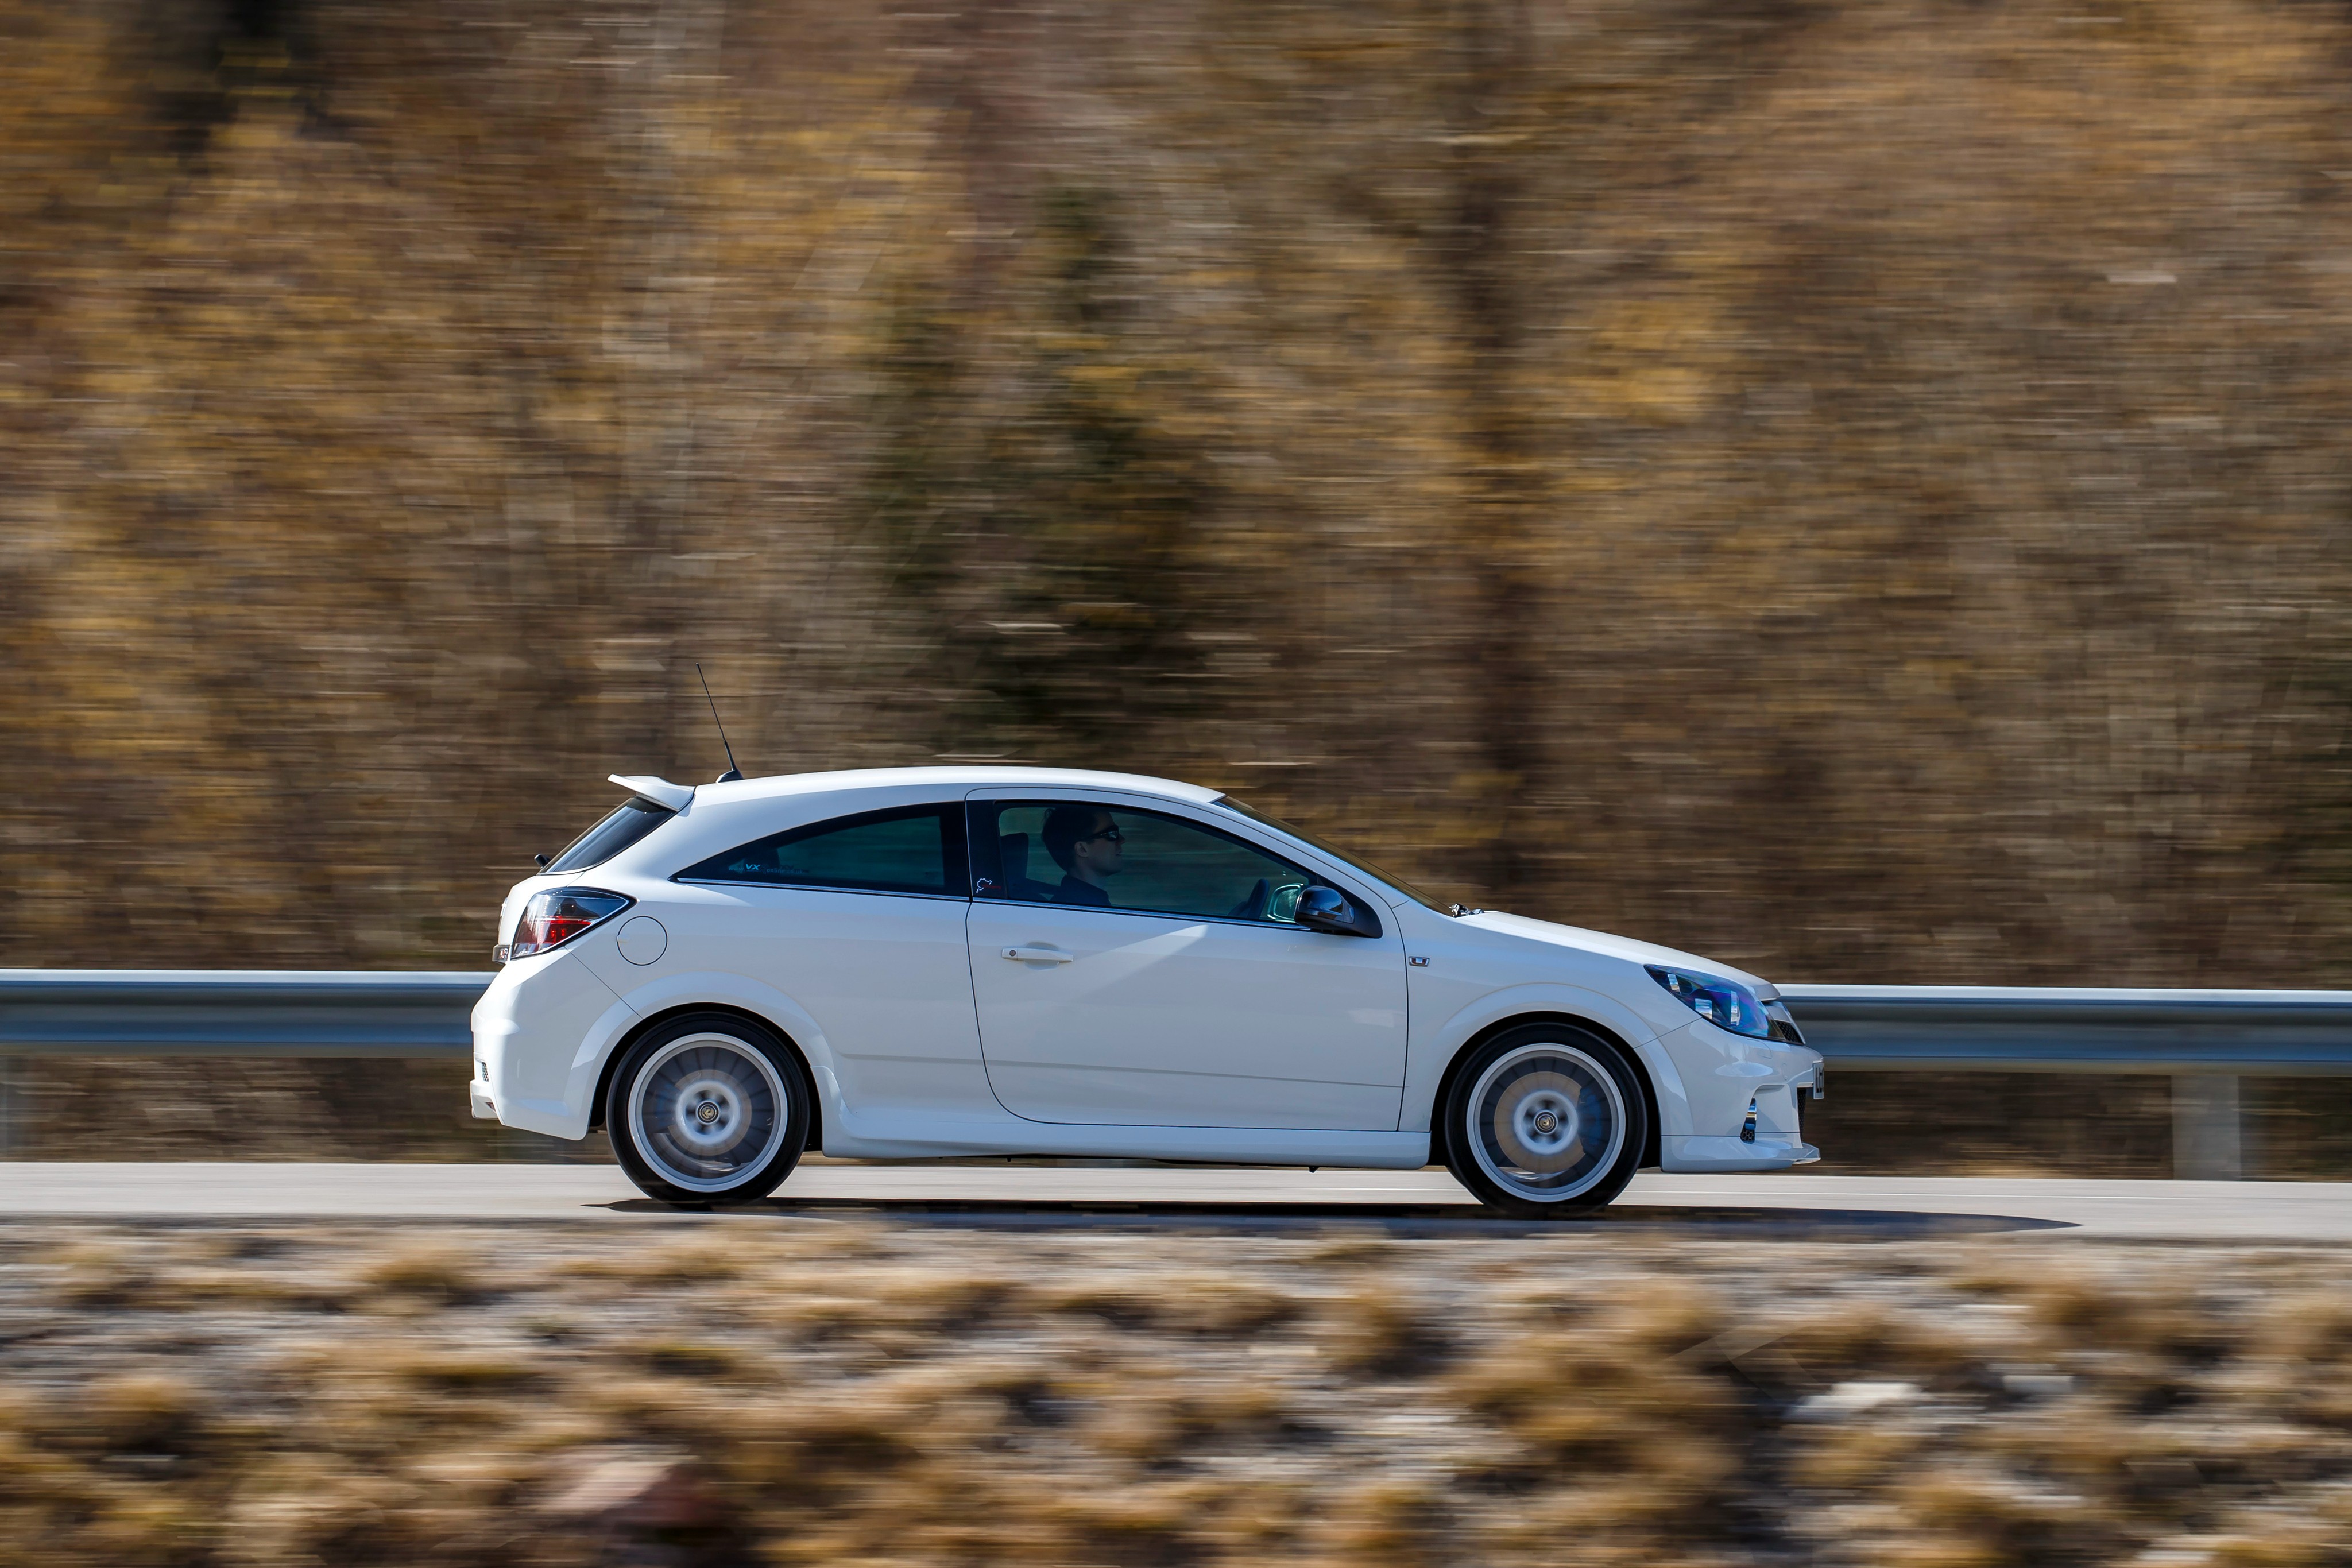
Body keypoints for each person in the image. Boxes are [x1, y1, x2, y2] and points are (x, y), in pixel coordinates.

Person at [1040, 804, 1124, 907]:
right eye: (1111, 834)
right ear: (1082, 849)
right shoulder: (1079, 909)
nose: (1122, 840)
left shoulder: (1084, 903)